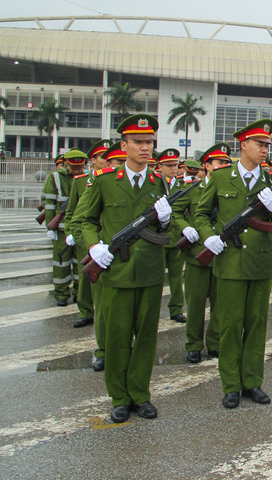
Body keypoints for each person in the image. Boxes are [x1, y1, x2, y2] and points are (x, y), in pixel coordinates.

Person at [73, 114, 172, 423]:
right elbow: (82, 221)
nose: (145, 148)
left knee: (145, 337)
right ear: (125, 145)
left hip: (149, 272)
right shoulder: (104, 181)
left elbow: (165, 228)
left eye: (149, 143)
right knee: (116, 337)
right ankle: (119, 397)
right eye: (139, 142)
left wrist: (168, 220)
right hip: (116, 273)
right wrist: (94, 246)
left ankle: (140, 394)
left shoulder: (160, 182)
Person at [195, 119, 272, 409]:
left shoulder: (271, 181)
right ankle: (231, 385)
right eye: (259, 145)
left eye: (266, 146)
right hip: (231, 264)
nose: (264, 150)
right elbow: (202, 214)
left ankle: (252, 381)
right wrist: (209, 237)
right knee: (231, 326)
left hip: (260, 264)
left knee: (257, 324)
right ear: (243, 145)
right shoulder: (221, 178)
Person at [174, 143, 230, 364]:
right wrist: (184, 227)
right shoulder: (192, 189)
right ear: (207, 166)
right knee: (196, 304)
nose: (224, 166)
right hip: (197, 254)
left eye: (227, 163)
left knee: (220, 305)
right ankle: (194, 345)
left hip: (221, 255)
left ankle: (214, 344)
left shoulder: (228, 188)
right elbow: (176, 213)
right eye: (219, 163)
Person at [64, 139, 109, 328]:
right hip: (85, 235)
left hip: (104, 235)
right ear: (93, 160)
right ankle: (85, 311)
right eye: (103, 158)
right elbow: (71, 210)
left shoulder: (111, 179)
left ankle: (101, 312)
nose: (106, 161)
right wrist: (70, 231)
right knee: (85, 277)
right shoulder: (82, 181)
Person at [43, 148, 88, 306]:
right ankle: (61, 294)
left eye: (79, 167)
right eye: (73, 168)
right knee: (61, 262)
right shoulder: (55, 177)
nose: (76, 171)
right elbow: (49, 204)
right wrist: (50, 227)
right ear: (66, 164)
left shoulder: (87, 178)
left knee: (80, 262)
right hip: (61, 229)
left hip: (81, 228)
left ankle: (78, 292)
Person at [156, 148, 187, 323]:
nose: (173, 168)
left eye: (175, 165)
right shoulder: (154, 183)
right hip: (158, 238)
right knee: (157, 277)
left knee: (176, 277)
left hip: (175, 237)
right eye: (168, 165)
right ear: (160, 166)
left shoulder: (181, 185)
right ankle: (154, 308)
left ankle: (176, 308)